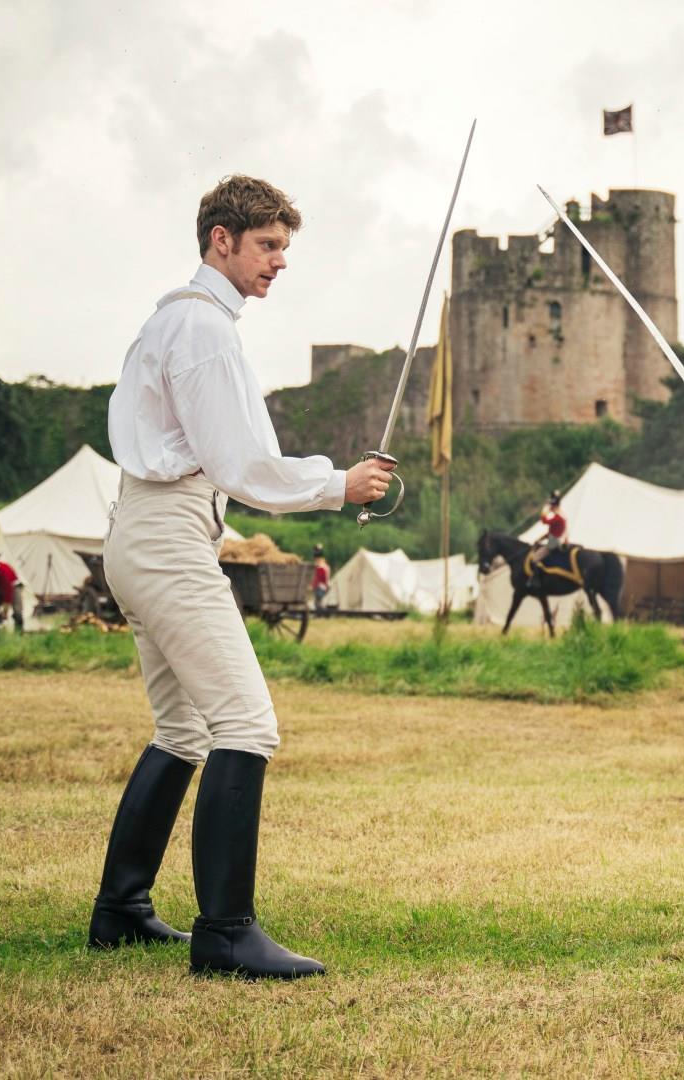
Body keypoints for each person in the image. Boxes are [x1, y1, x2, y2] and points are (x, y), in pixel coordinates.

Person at [89, 175, 396, 980]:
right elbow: (241, 465)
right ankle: (225, 933)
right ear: (220, 240)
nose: (279, 262)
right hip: (164, 537)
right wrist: (341, 483)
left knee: (186, 730)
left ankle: (120, 912)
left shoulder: (182, 321)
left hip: (146, 530)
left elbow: (226, 463)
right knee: (246, 726)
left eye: (284, 248)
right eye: (267, 245)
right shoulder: (202, 328)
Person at [310, 544, 331, 611]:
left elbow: (321, 578)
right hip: (321, 585)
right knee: (318, 601)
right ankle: (321, 612)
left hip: (321, 586)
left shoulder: (321, 566)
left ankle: (323, 612)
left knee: (319, 601)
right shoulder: (323, 565)